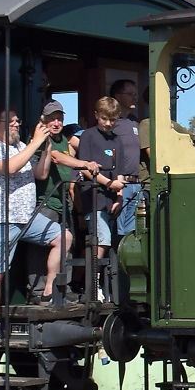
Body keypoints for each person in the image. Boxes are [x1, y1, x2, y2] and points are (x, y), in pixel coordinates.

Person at [0, 108, 58, 340]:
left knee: (63, 237)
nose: (15, 125)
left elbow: (40, 173)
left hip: (27, 218)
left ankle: (49, 290)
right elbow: (10, 168)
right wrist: (35, 142)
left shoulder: (21, 147)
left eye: (17, 121)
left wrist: (46, 147)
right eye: (9, 121)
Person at [33, 101, 101, 301]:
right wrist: (85, 164)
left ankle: (64, 288)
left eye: (59, 118)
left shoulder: (63, 140)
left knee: (67, 245)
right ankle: (38, 291)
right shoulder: (40, 140)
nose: (56, 122)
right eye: (52, 119)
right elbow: (56, 158)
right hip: (45, 201)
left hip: (64, 201)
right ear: (42, 120)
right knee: (42, 248)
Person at [75, 96, 130, 300]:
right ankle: (92, 287)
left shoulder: (117, 140)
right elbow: (85, 167)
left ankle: (108, 289)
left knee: (112, 245)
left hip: (111, 201)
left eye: (113, 119)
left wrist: (120, 195)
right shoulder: (88, 136)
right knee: (101, 241)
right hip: (94, 197)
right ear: (96, 115)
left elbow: (120, 172)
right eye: (105, 118)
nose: (108, 123)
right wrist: (108, 183)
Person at [108, 79, 144, 238]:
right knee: (118, 234)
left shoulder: (135, 122)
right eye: (130, 94)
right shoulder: (112, 123)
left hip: (137, 184)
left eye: (135, 94)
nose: (134, 97)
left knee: (132, 235)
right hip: (120, 185)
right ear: (118, 96)